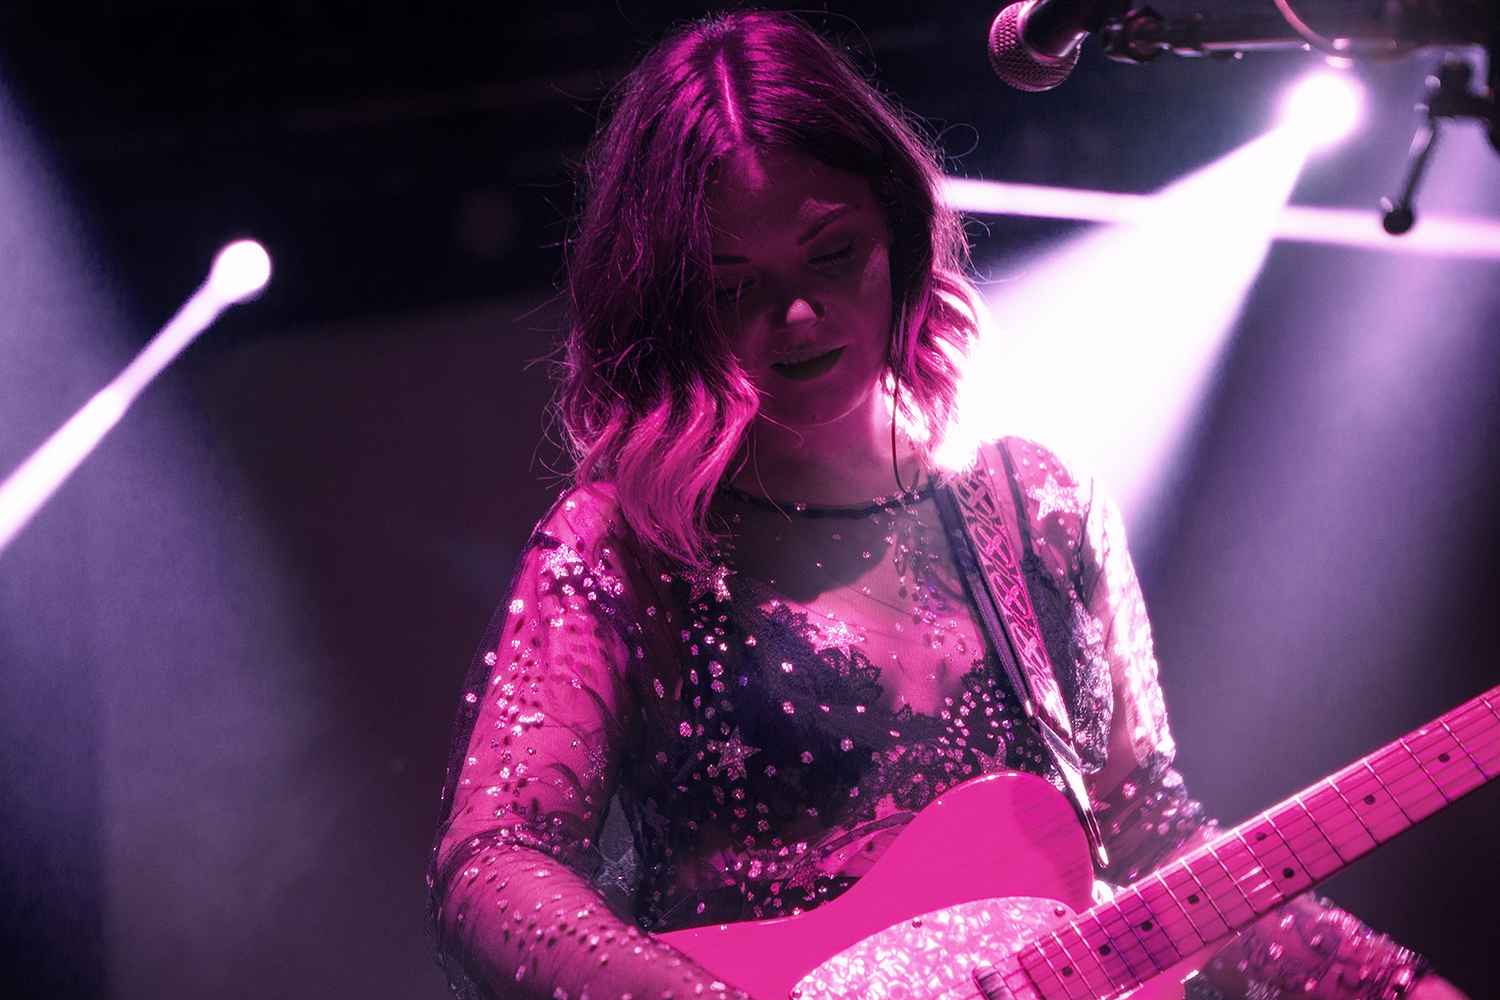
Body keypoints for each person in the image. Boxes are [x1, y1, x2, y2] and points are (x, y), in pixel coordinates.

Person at [427, 11, 1467, 1000]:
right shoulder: (622, 544)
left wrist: (1385, 981)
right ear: (671, 306)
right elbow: (492, 862)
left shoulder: (1039, 507)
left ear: (901, 227)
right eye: (733, 285)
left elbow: (1144, 832)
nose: (795, 311)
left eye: (832, 253)